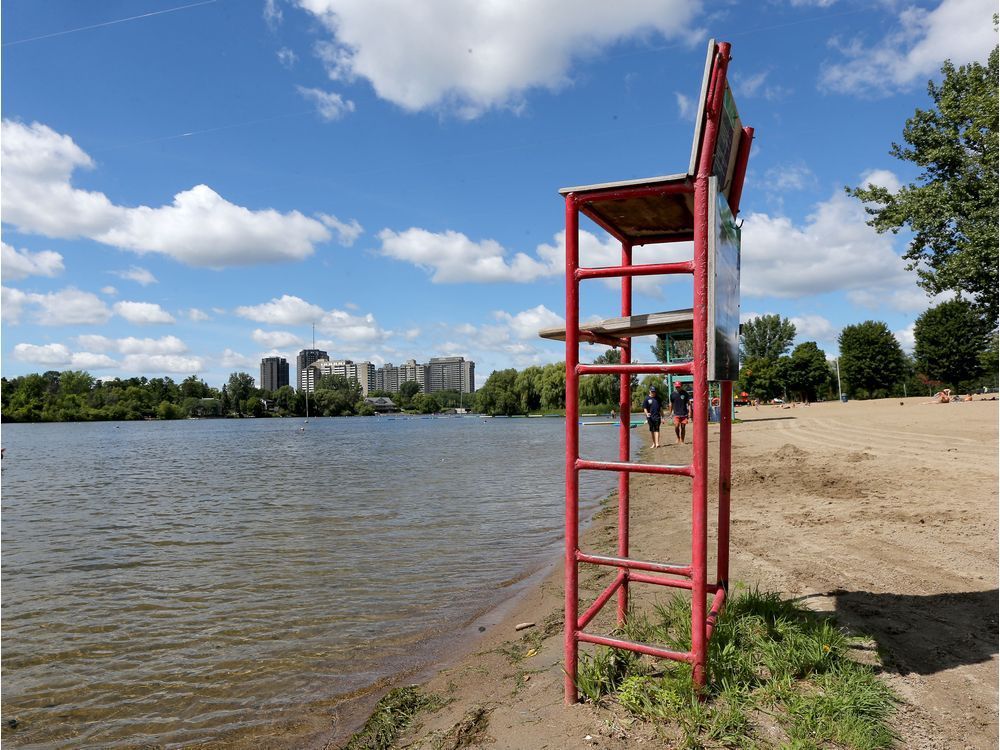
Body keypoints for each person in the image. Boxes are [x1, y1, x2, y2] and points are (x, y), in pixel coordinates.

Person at [670, 380, 692, 445]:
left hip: (684, 413)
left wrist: (690, 412)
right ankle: (678, 438)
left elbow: (689, 404)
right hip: (676, 414)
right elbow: (671, 404)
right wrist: (670, 413)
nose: (677, 388)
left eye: (679, 387)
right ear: (675, 387)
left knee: (683, 427)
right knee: (676, 426)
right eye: (676, 387)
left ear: (681, 386)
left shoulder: (685, 393)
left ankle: (682, 440)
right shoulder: (672, 394)